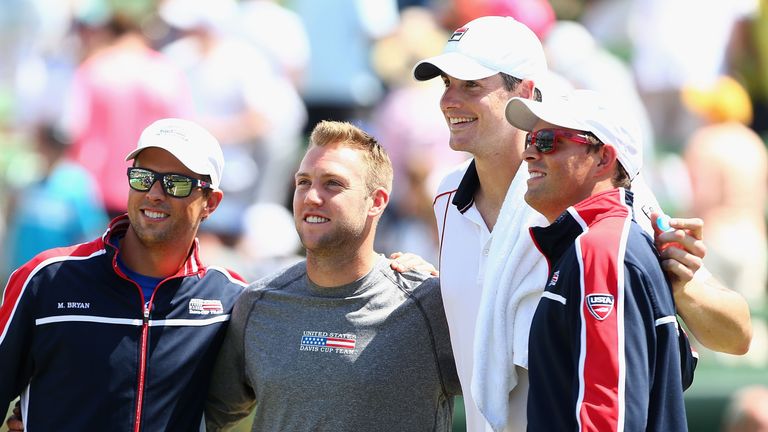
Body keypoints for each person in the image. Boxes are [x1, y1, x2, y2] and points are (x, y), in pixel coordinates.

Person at [411, 15, 751, 432]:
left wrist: (679, 285)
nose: (450, 100)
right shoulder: (446, 198)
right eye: (446, 84)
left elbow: (735, 334)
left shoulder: (598, 193)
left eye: (471, 86)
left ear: (526, 91)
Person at [204, 120, 460, 431]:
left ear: (376, 201)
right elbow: (204, 415)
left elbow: (504, 396)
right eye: (303, 182)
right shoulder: (258, 303)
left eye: (333, 184)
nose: (311, 197)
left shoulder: (430, 303)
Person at [0, 118, 247, 430]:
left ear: (210, 202)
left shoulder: (229, 299)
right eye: (143, 177)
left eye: (176, 183)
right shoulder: (46, 279)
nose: (155, 193)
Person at [506, 89, 697, 430]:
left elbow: (610, 417)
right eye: (531, 139)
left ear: (603, 159)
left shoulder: (600, 247)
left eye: (548, 141)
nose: (529, 153)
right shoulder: (603, 242)